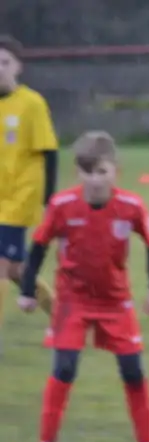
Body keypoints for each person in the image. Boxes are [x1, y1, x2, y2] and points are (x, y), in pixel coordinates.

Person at [19, 131, 149, 442]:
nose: (94, 180)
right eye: (88, 172)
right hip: (72, 301)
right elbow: (39, 246)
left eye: (101, 172)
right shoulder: (62, 206)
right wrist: (27, 289)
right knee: (64, 368)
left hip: (115, 301)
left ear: (115, 171)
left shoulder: (131, 206)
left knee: (133, 371)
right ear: (78, 173)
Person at [0, 33, 57, 340]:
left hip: (20, 199)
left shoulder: (31, 104)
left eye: (4, 62)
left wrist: (49, 200)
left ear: (18, 67)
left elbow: (50, 151)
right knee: (16, 269)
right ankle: (61, 317)